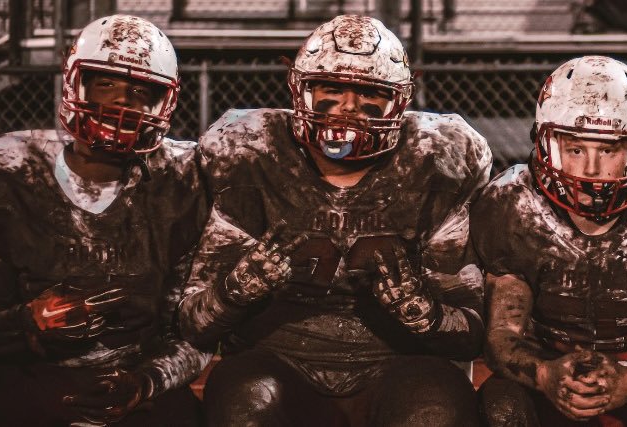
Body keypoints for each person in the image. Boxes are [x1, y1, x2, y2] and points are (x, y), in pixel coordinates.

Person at [178, 15, 492, 426]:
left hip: (398, 362)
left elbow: (470, 333)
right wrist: (234, 291)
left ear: (399, 101)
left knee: (435, 409)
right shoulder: (247, 151)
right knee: (244, 405)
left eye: (369, 93)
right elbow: (194, 324)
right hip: (277, 359)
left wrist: (428, 315)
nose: (349, 107)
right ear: (300, 90)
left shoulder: (438, 159)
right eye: (332, 89)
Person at [0, 14, 209, 426]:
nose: (122, 101)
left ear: (163, 102)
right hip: (32, 376)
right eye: (106, 84)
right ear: (75, 83)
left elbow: (196, 332)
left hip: (133, 380)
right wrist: (26, 322)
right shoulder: (11, 176)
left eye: (141, 91)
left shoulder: (181, 183)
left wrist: (143, 382)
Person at [475, 55, 627, 426]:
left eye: (608, 150)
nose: (591, 170)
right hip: (549, 367)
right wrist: (545, 374)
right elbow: (502, 335)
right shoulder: (511, 204)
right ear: (548, 145)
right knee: (503, 407)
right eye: (576, 149)